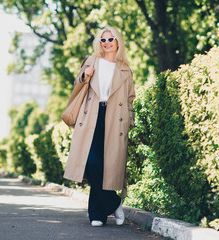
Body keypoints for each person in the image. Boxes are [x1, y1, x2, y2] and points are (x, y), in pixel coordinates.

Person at [63, 26, 136, 227]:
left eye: (110, 39)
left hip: (115, 119)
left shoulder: (124, 69)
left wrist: (129, 121)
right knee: (92, 162)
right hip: (91, 116)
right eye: (103, 40)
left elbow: (130, 99)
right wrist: (85, 75)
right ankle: (114, 202)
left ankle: (96, 215)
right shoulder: (91, 61)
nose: (106, 43)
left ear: (117, 42)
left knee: (106, 166)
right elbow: (77, 84)